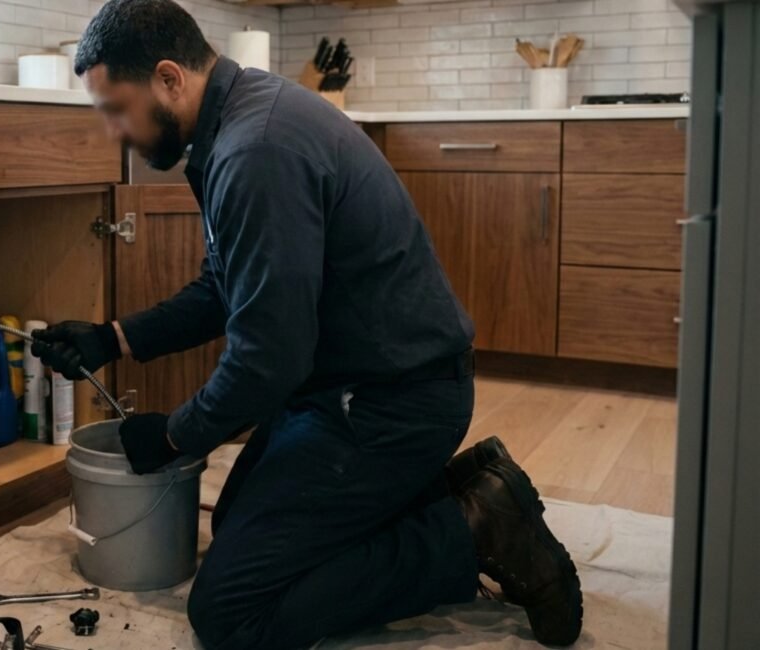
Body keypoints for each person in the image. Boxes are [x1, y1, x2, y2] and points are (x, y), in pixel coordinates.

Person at [29, 1, 583, 648]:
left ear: (169, 78)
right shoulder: (234, 123)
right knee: (236, 519)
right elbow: (225, 287)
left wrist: (178, 437)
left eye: (117, 110)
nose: (115, 132)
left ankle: (470, 529)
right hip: (347, 387)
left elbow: (269, 360)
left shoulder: (256, 150)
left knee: (231, 613)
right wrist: (113, 338)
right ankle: (435, 494)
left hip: (392, 405)